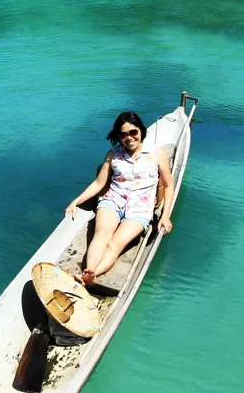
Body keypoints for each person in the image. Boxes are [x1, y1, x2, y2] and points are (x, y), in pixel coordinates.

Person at [64, 111, 175, 285]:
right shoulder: (113, 154)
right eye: (123, 134)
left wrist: (165, 216)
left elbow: (168, 186)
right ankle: (89, 270)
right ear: (118, 136)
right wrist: (76, 201)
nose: (129, 137)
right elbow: (99, 184)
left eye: (133, 132)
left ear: (141, 131)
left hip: (140, 208)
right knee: (101, 234)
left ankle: (92, 275)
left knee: (115, 243)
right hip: (113, 200)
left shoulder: (156, 153)